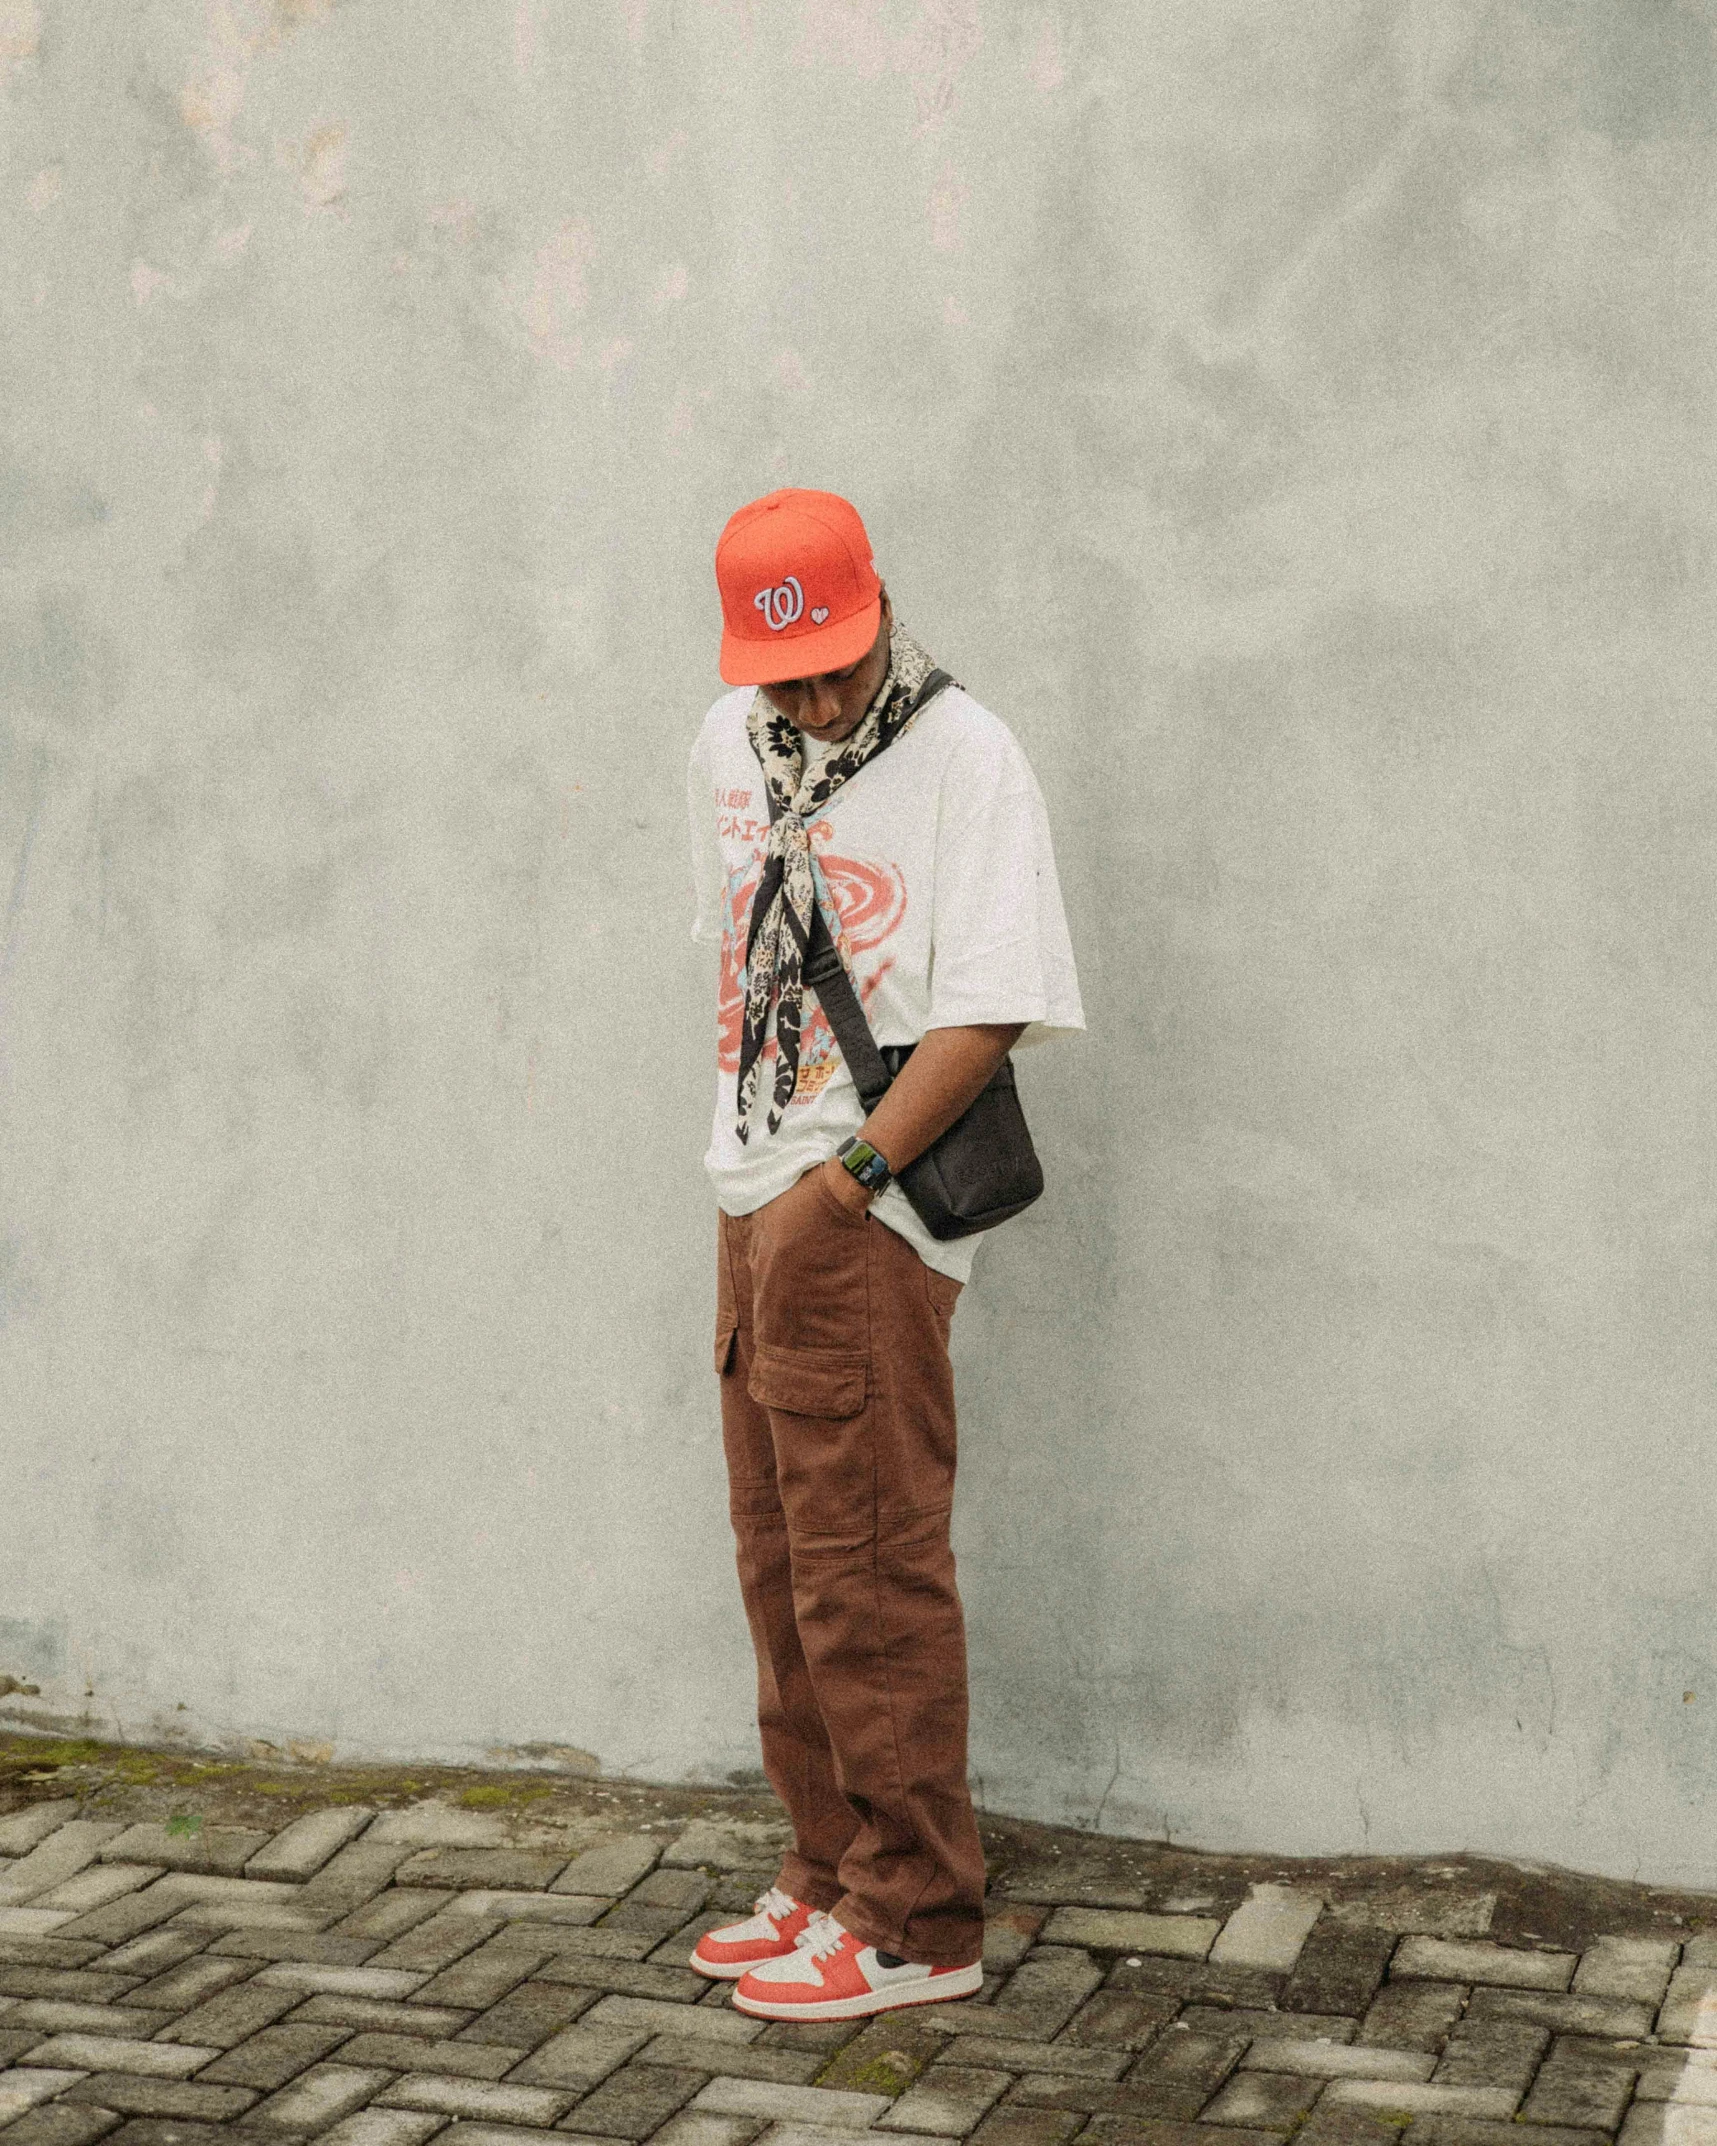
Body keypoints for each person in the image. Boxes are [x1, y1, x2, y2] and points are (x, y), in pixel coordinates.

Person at [682, 487, 1084, 2022]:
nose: (812, 697)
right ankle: (829, 1868)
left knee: (871, 1578)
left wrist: (840, 1188)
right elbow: (729, 953)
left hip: (863, 1212)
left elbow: (988, 1005)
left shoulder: (964, 756)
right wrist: (752, 1195)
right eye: (782, 675)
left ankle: (917, 1918)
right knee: (781, 1572)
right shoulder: (725, 745)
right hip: (749, 1196)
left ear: (879, 605)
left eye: (835, 664)